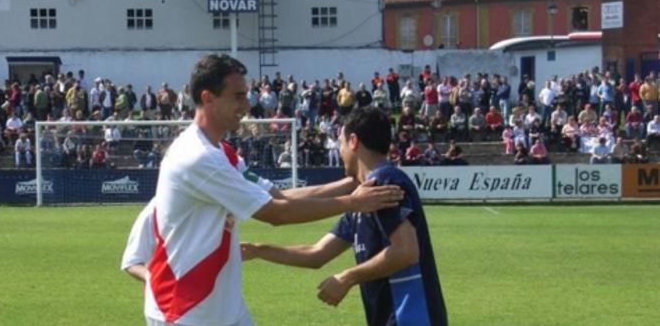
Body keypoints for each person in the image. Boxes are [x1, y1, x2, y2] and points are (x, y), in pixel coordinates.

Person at [120, 54, 404, 326]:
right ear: (208, 98)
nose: (247, 105)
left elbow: (278, 196)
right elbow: (276, 213)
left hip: (219, 306)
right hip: (184, 309)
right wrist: (353, 202)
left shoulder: (224, 153)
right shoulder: (198, 157)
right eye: (238, 96)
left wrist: (349, 184)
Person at [241, 106, 447, 326]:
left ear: (353, 141)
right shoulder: (362, 198)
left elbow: (406, 251)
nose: (340, 151)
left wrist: (347, 277)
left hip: (411, 318)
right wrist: (258, 250)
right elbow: (316, 254)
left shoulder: (385, 182)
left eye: (340, 143)